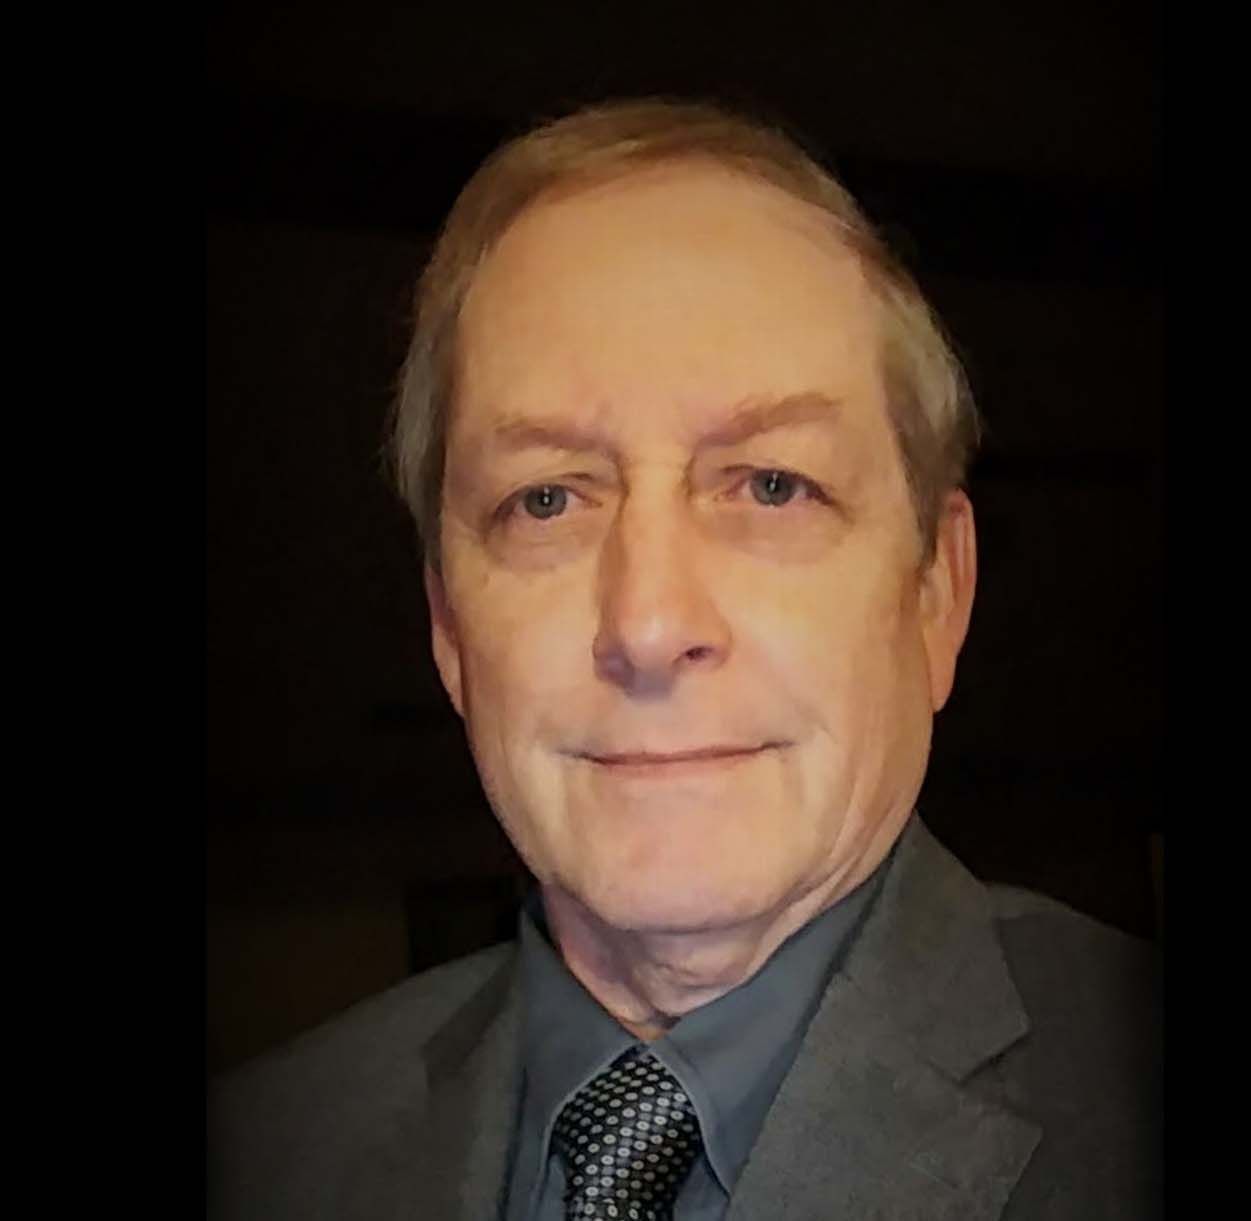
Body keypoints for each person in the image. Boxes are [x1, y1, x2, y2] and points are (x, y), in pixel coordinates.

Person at [208, 98, 1161, 1220]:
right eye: (546, 500)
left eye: (769, 485)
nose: (648, 625)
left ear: (934, 592)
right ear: (450, 634)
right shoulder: (261, 1146)